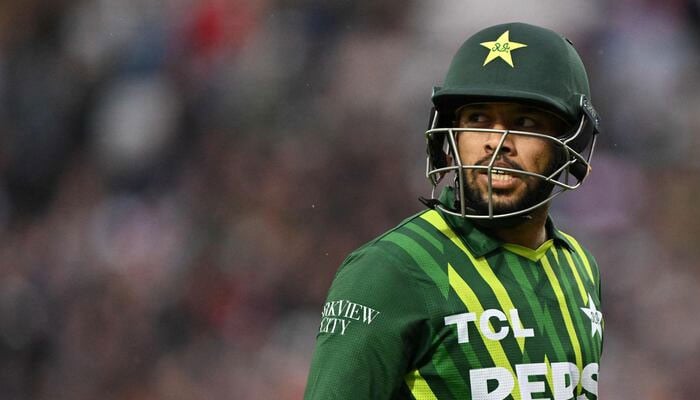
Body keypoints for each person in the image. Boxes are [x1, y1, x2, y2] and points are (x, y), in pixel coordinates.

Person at [305, 22, 603, 400]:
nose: (496, 143)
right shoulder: (389, 271)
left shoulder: (581, 269)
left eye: (525, 122)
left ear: (570, 142)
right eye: (478, 119)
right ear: (450, 134)